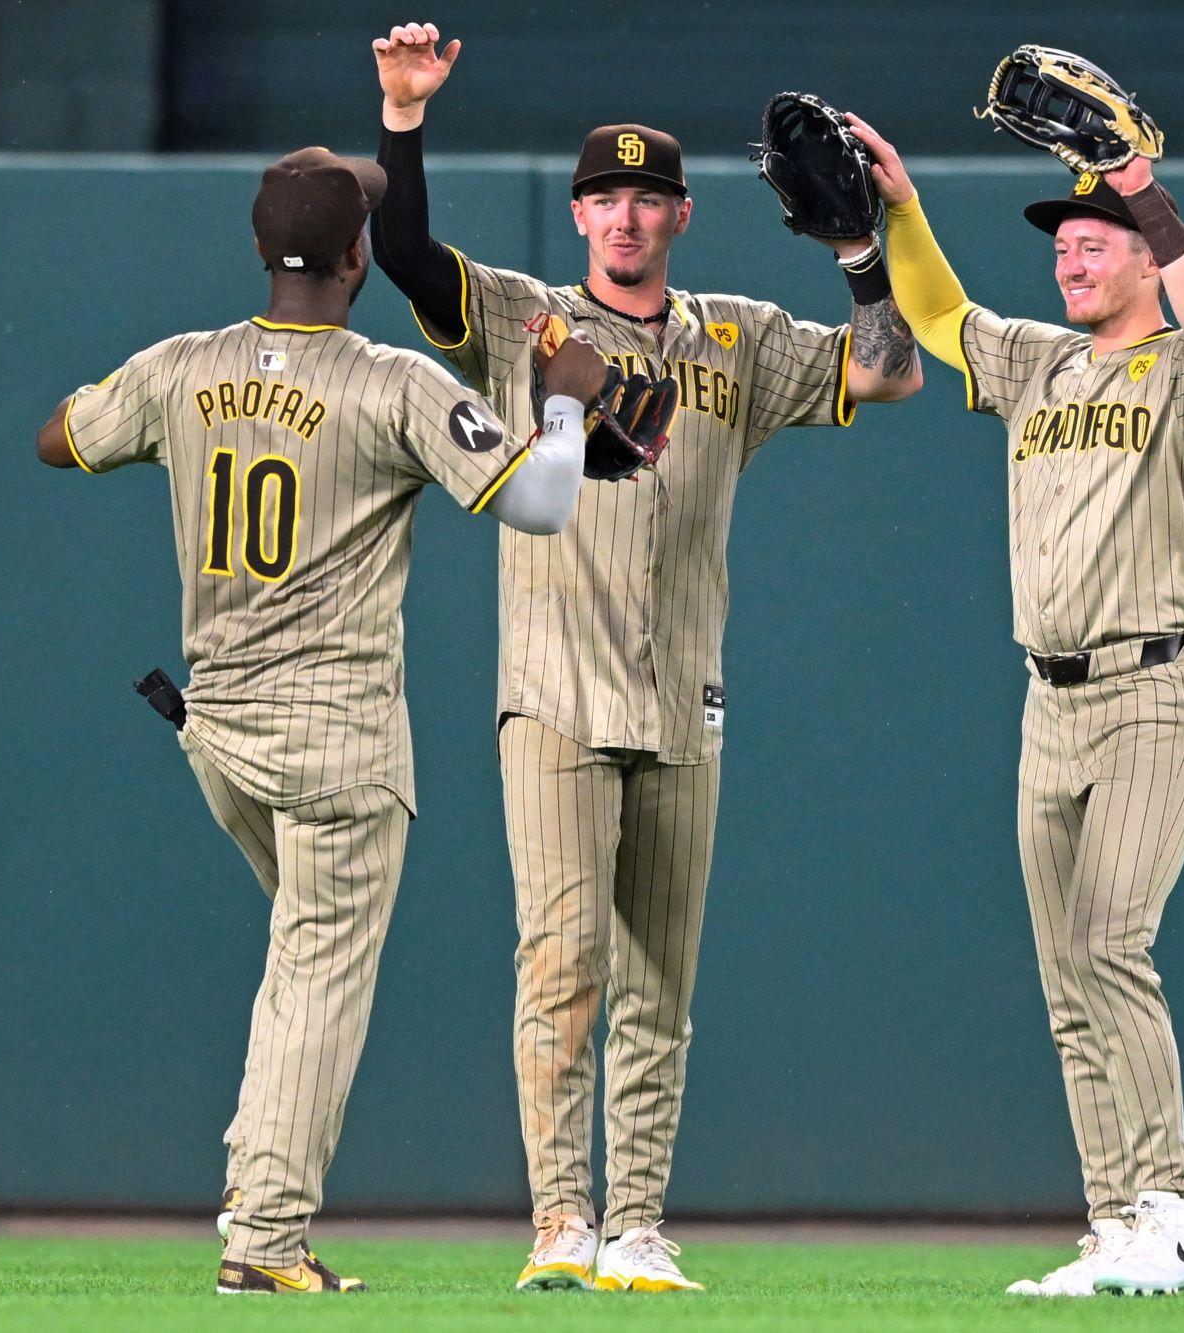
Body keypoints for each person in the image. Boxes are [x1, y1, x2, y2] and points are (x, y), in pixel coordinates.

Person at [369, 22, 924, 1294]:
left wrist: (860, 250)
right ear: (576, 214)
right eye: (604, 196)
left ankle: (637, 1225)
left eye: (646, 198)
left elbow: (887, 373)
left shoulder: (737, 335)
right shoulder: (520, 320)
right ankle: (560, 1220)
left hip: (685, 701)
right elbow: (401, 253)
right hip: (552, 696)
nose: (624, 217)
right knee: (560, 969)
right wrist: (403, 120)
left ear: (679, 215)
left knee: (659, 989)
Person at [35, 146, 610, 1295]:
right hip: (333, 742)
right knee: (317, 976)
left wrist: (164, 411)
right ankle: (264, 1238)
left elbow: (60, 437)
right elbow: (542, 503)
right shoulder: (392, 382)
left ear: (260, 254)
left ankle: (256, 1187)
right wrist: (563, 403)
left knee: (298, 960)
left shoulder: (182, 366)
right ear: (359, 260)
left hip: (218, 733)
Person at [844, 111, 1184, 1298]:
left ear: (1145, 258)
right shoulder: (1038, 361)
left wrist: (1144, 188)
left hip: (1157, 688)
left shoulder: (1181, 364)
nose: (1071, 259)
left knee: (1112, 938)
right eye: (1063, 243)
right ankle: (1115, 1223)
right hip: (1049, 700)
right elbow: (932, 320)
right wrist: (904, 208)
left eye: (1095, 242)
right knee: (1069, 981)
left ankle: (1170, 1209)